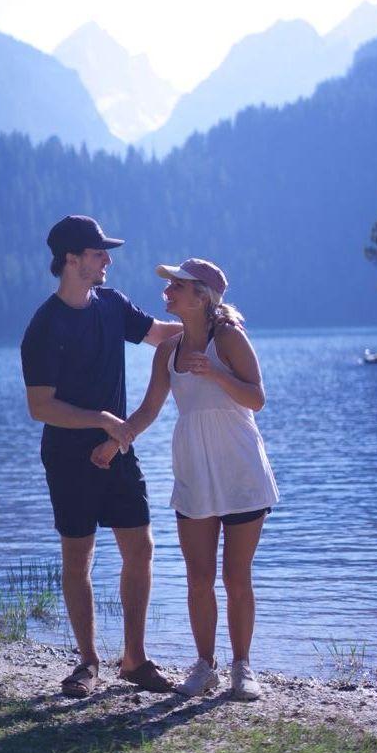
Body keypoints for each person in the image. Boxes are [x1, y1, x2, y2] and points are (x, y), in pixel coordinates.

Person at [91, 258, 279, 701]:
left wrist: (215, 372)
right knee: (198, 578)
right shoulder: (167, 351)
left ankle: (242, 667)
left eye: (177, 285)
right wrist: (117, 440)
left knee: (236, 577)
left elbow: (257, 398)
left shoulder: (229, 338)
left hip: (241, 470)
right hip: (194, 469)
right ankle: (205, 666)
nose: (168, 291)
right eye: (170, 284)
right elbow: (149, 410)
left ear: (201, 296)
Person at [21, 215, 182, 698]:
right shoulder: (44, 326)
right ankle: (88, 663)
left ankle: (134, 659)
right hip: (68, 458)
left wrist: (211, 323)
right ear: (72, 260)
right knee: (79, 558)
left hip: (118, 452)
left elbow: (160, 334)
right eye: (98, 253)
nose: (107, 259)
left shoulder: (112, 305)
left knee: (141, 549)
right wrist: (103, 419)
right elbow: (40, 407)